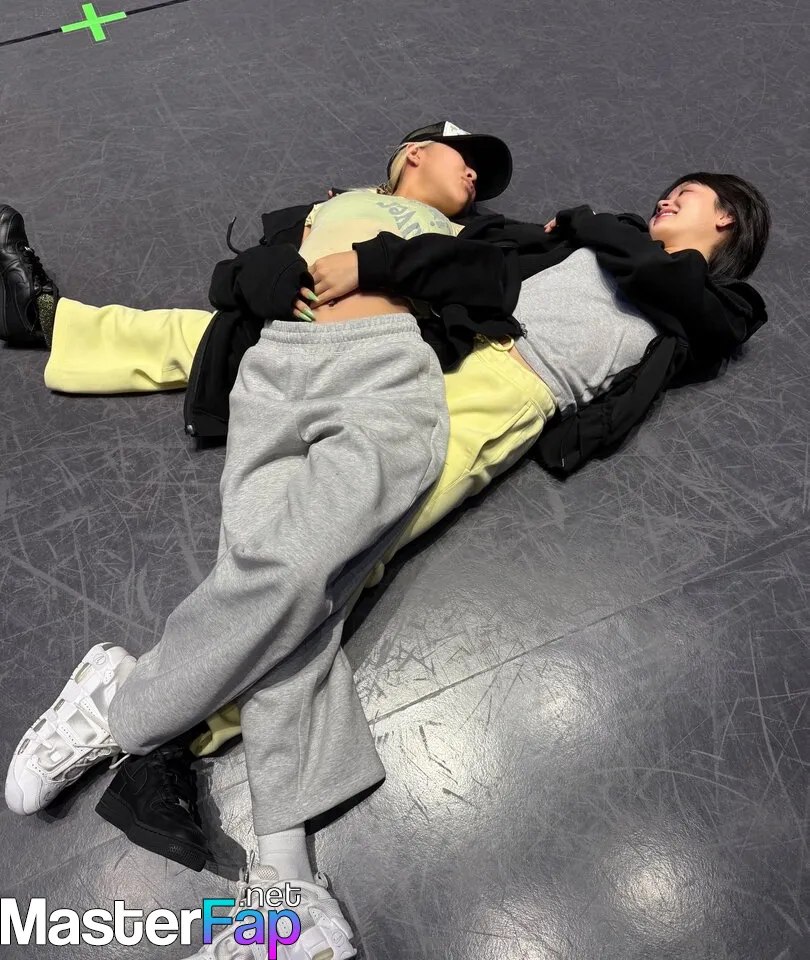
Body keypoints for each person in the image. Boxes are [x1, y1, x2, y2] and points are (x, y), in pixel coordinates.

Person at [2, 120, 771, 959]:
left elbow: (673, 288)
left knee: (337, 564)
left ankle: (164, 721)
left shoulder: (716, 298)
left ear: (727, 219)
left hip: (507, 394)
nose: (663, 200)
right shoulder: (561, 235)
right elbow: (450, 256)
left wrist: (589, 224)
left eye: (685, 195)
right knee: (287, 475)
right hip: (433, 343)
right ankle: (266, 865)